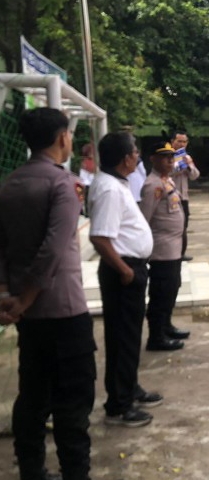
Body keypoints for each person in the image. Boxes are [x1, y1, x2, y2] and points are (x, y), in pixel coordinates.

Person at [0, 107, 97, 480]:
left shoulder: (11, 182)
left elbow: (3, 247)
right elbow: (53, 250)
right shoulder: (63, 184)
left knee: (32, 396)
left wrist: (9, 295)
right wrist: (25, 298)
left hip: (29, 317)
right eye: (69, 134)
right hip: (63, 311)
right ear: (62, 138)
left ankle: (32, 470)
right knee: (73, 402)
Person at [89, 131, 160, 428]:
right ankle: (119, 405)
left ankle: (129, 388)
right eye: (134, 152)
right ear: (124, 158)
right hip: (123, 271)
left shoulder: (117, 183)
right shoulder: (109, 189)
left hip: (130, 268)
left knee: (130, 336)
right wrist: (125, 270)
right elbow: (100, 238)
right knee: (122, 338)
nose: (137, 156)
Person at [139, 142, 189, 351]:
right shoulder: (153, 185)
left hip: (173, 248)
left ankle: (166, 326)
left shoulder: (166, 180)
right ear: (153, 159)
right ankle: (156, 336)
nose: (170, 161)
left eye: (171, 157)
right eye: (165, 157)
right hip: (162, 250)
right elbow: (144, 218)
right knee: (161, 294)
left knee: (171, 289)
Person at [170, 131, 200, 261]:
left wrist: (188, 166)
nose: (182, 144)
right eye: (179, 141)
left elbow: (195, 175)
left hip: (184, 197)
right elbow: (168, 172)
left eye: (184, 142)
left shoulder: (187, 157)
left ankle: (181, 253)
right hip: (171, 197)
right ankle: (172, 252)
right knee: (172, 226)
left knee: (184, 225)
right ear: (172, 142)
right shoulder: (167, 156)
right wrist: (179, 166)